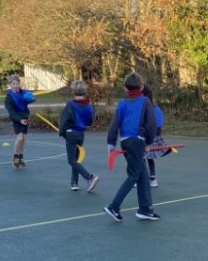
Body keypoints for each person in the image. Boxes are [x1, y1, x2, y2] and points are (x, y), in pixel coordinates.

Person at [104, 72, 160, 222]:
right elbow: (151, 124)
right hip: (137, 141)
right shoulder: (145, 101)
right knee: (134, 175)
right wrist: (149, 142)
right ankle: (114, 206)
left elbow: (114, 125)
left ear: (125, 88)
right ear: (141, 87)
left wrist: (111, 143)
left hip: (126, 141)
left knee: (142, 175)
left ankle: (145, 209)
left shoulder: (122, 104)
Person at [58, 79, 99, 192]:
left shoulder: (71, 105)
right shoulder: (89, 105)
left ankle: (90, 177)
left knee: (71, 160)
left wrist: (62, 132)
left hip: (71, 134)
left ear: (73, 91)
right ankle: (74, 182)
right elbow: (90, 120)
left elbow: (64, 120)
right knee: (76, 159)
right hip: (81, 134)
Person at [4, 74, 35, 168]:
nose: (16, 85)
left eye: (17, 83)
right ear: (10, 84)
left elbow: (31, 99)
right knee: (20, 138)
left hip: (25, 117)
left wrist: (32, 98)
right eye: (13, 84)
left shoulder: (23, 93)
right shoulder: (9, 97)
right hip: (16, 118)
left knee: (24, 139)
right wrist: (19, 119)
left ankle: (21, 157)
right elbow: (11, 112)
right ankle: (15, 157)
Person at [143, 85, 166, 187]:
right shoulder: (153, 107)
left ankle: (150, 178)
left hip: (148, 136)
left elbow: (159, 122)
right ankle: (150, 178)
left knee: (144, 157)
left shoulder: (152, 108)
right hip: (148, 135)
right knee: (147, 157)